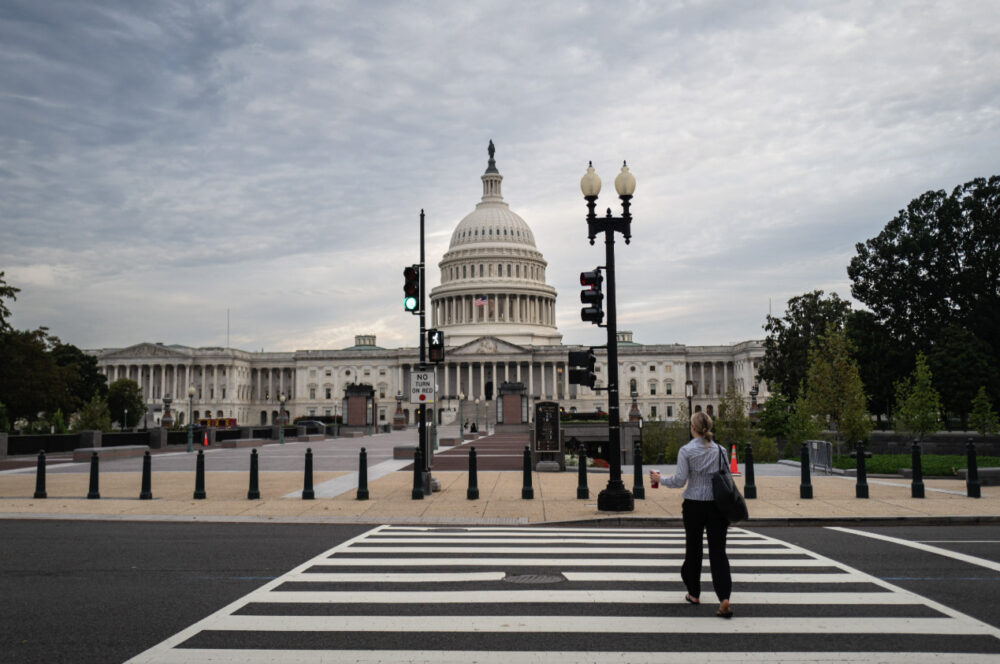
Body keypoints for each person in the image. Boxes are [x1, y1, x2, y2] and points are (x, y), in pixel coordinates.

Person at [655, 411, 733, 618]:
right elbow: (728, 477)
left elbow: (679, 480)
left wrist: (660, 479)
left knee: (694, 549)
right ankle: (724, 597)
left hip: (694, 504)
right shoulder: (721, 450)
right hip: (717, 505)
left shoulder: (686, 451)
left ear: (692, 428)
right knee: (718, 552)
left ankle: (694, 592)